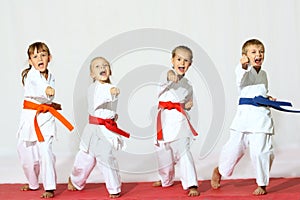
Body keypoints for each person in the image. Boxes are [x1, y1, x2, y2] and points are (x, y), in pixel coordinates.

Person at [211, 39, 275, 195]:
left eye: (261, 51)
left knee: (261, 151)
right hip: (243, 118)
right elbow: (241, 77)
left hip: (261, 118)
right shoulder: (242, 70)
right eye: (253, 52)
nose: (258, 54)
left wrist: (267, 98)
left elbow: (257, 92)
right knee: (233, 150)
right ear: (245, 56)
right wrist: (244, 65)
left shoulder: (264, 74)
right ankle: (220, 170)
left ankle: (262, 183)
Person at [68, 57, 130, 199]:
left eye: (105, 65)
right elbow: (99, 97)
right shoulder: (95, 88)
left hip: (106, 129)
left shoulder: (110, 87)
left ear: (110, 70)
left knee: (106, 156)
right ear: (92, 75)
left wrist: (113, 116)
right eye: (97, 66)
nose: (102, 68)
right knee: (86, 157)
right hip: (93, 129)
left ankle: (114, 188)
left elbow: (107, 107)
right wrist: (112, 92)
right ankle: (75, 180)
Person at [17, 42, 73, 198]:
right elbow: (37, 87)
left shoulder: (51, 76)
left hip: (46, 119)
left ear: (49, 58)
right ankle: (33, 183)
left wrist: (51, 103)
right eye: (35, 56)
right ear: (30, 61)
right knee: (26, 155)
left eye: (43, 55)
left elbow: (44, 96)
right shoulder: (31, 75)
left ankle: (49, 187)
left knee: (46, 152)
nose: (39, 58)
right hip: (30, 119)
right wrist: (47, 91)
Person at [153, 46, 200, 197]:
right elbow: (165, 76)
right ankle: (165, 178)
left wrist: (189, 104)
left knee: (184, 151)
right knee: (163, 152)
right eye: (179, 59)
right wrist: (169, 74)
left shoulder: (188, 84)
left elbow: (188, 100)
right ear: (172, 60)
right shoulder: (165, 74)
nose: (182, 62)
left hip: (180, 121)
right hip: (165, 119)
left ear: (190, 64)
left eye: (186, 60)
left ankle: (191, 183)